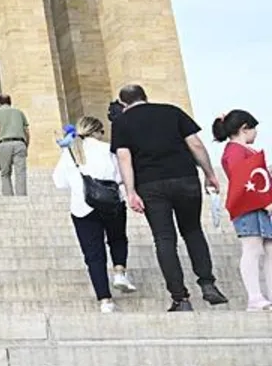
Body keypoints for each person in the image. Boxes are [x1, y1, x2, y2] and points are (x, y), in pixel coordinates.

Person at [112, 84, 227, 312]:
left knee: (164, 239)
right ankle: (207, 284)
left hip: (150, 184)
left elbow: (124, 158)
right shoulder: (171, 111)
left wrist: (131, 191)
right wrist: (210, 174)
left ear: (123, 104)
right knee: (193, 231)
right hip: (185, 177)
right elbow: (195, 144)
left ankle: (180, 298)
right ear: (145, 97)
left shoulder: (122, 122)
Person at [52, 116, 137, 313]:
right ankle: (119, 272)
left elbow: (59, 182)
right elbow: (120, 176)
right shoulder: (108, 149)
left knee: (93, 255)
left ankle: (105, 300)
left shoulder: (71, 152)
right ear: (98, 131)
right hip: (111, 202)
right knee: (117, 239)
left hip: (82, 207)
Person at [214, 110, 272, 311]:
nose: (256, 133)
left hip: (258, 206)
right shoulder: (235, 151)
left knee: (268, 250)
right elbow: (243, 180)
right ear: (244, 128)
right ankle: (255, 297)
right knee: (253, 248)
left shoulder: (243, 151)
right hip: (248, 206)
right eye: (253, 128)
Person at [0, 94, 30, 197]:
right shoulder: (19, 112)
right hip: (20, 143)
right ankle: (21, 195)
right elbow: (27, 131)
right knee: (20, 172)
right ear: (10, 102)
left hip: (4, 143)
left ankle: (8, 196)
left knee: (5, 172)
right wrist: (26, 145)